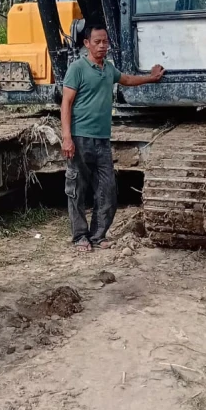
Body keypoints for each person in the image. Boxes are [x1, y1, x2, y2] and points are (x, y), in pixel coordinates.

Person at [61, 24, 164, 248]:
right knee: (77, 189)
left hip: (102, 140)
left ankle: (98, 236)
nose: (102, 46)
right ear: (86, 43)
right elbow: (66, 103)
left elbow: (126, 79)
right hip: (79, 138)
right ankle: (80, 237)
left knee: (107, 189)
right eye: (97, 42)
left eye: (105, 42)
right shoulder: (77, 68)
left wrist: (151, 78)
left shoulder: (108, 69)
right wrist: (66, 137)